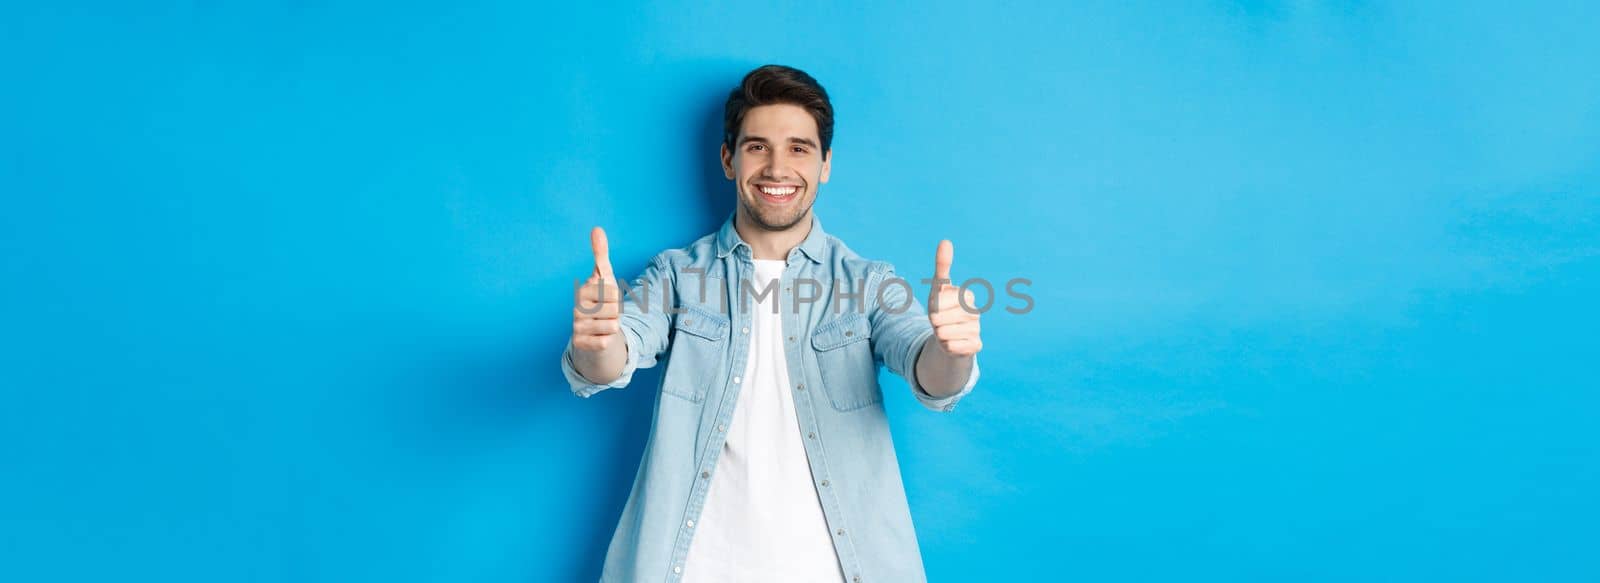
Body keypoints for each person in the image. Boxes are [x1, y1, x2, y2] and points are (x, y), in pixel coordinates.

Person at [562, 64, 983, 583]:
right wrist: (597, 341)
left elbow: (929, 369)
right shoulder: (675, 275)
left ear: (825, 163)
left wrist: (953, 352)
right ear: (728, 159)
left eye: (800, 148)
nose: (777, 168)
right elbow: (610, 359)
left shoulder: (870, 283)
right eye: (758, 146)